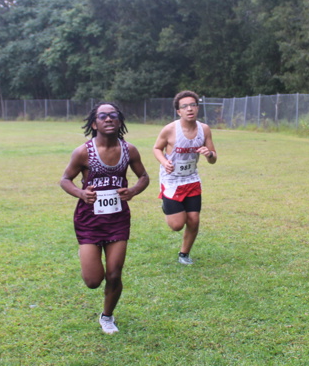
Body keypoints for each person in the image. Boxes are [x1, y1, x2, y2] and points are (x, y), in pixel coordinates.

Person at [60, 103, 149, 334]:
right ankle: (86, 254)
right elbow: (65, 180)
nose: (108, 119)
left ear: (119, 121)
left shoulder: (129, 150)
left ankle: (107, 316)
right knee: (93, 281)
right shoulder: (83, 152)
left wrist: (133, 191)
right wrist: (81, 193)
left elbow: (144, 177)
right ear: (94, 123)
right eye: (102, 116)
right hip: (89, 220)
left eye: (113, 115)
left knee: (114, 273)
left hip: (117, 219)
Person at [153, 90, 217, 265]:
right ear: (178, 111)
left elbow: (213, 158)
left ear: (197, 108)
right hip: (171, 180)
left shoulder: (204, 129)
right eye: (185, 106)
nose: (190, 109)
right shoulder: (170, 129)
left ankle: (184, 254)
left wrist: (209, 154)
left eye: (193, 105)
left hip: (191, 179)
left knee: (194, 220)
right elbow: (157, 148)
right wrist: (164, 162)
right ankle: (166, 205)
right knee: (176, 225)